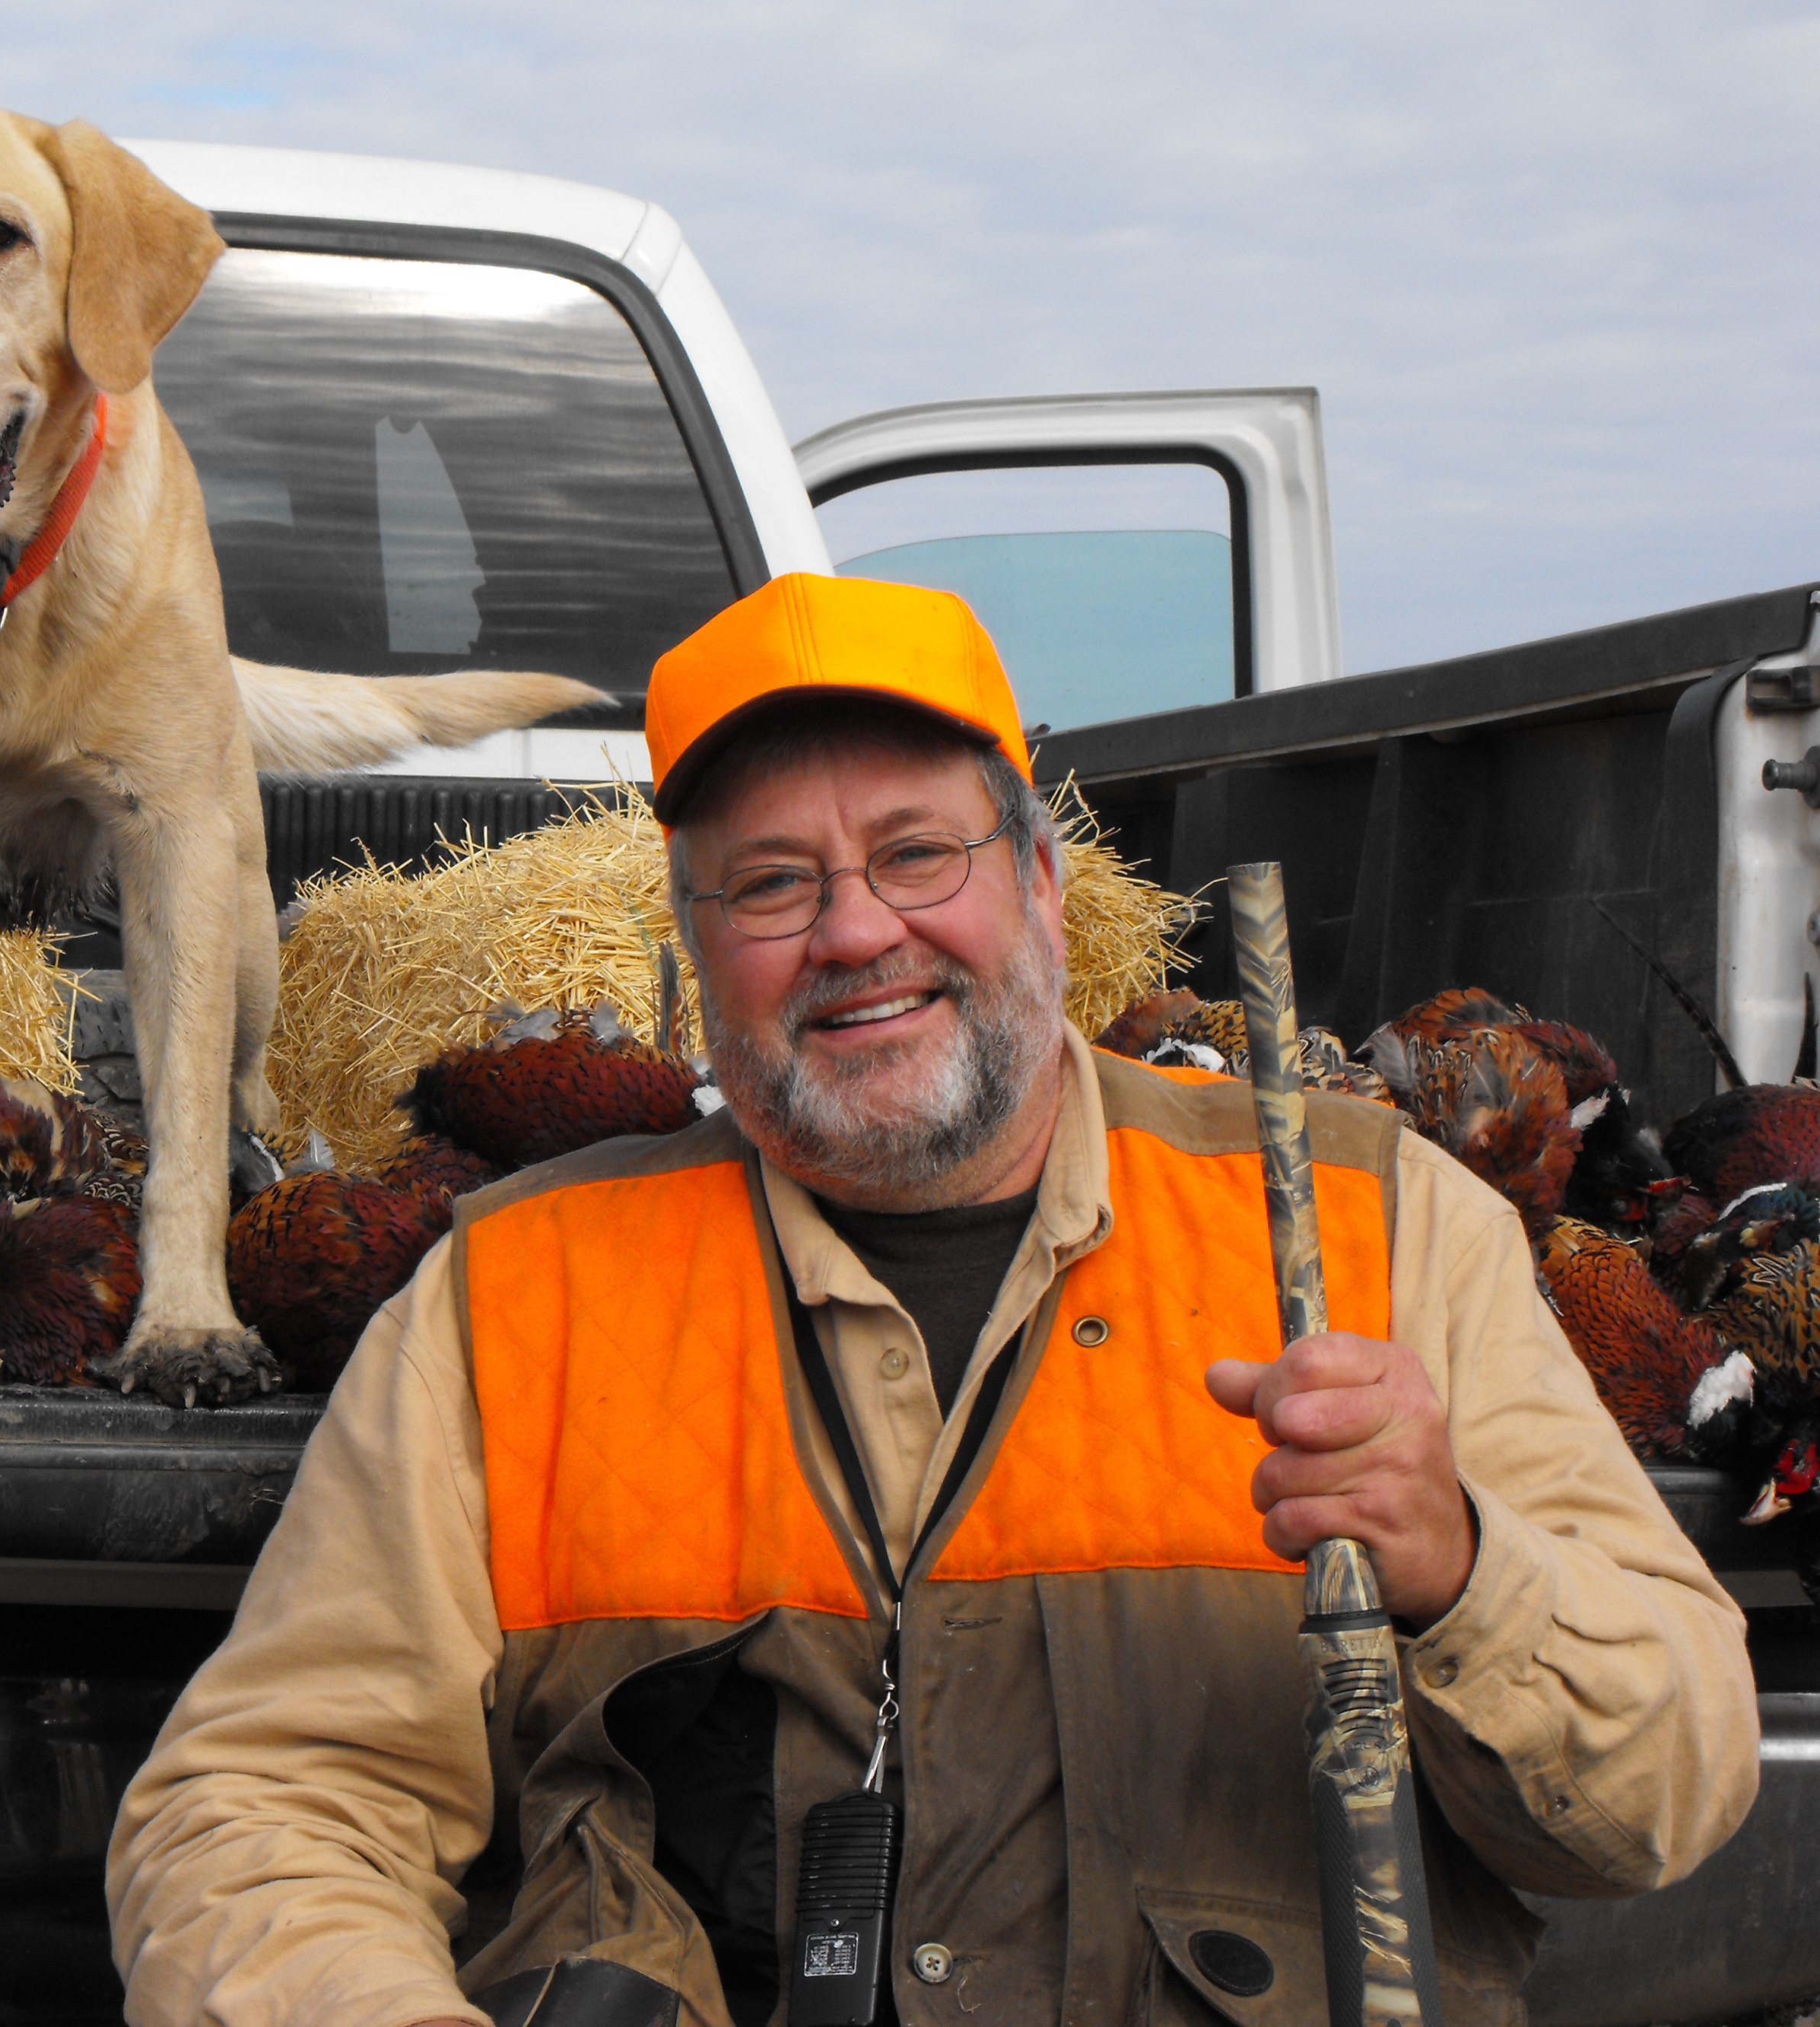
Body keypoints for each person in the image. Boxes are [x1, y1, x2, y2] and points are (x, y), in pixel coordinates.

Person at [106, 573, 1757, 2027]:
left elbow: (1663, 1801)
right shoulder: (518, 1294)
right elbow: (269, 1802)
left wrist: (1459, 1572)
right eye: (769, 883)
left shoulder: (1371, 1226)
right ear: (691, 954)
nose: (855, 932)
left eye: (918, 853)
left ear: (1044, 886)